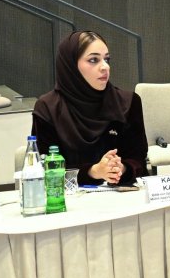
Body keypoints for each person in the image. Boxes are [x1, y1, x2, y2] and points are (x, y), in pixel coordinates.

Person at [33, 31, 148, 186]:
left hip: (121, 194)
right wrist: (93, 172)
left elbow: (138, 161)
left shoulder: (128, 102)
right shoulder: (48, 108)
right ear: (71, 65)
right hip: (68, 196)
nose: (105, 67)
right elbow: (47, 169)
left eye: (106, 59)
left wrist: (122, 168)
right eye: (93, 60)